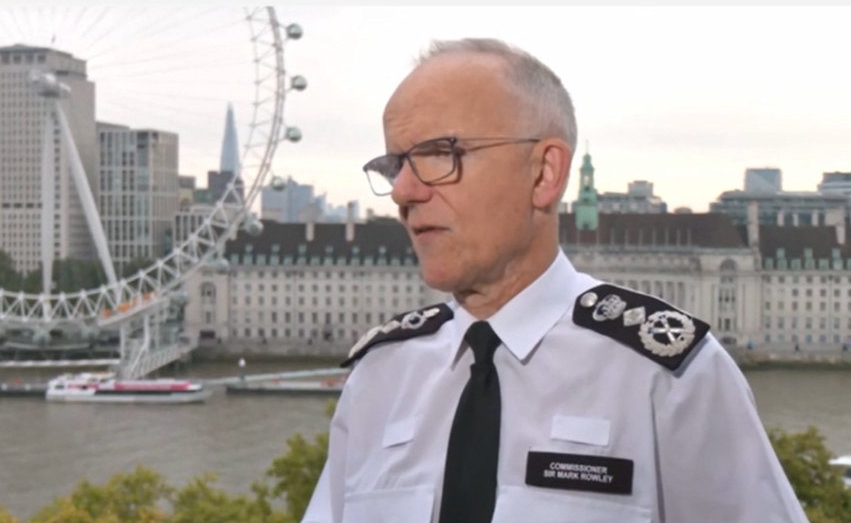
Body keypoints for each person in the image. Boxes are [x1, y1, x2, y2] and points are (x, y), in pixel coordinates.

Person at [302, 39, 808, 523]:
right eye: (395, 166)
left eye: (439, 154)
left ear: (544, 173)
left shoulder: (668, 378)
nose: (403, 191)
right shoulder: (380, 379)